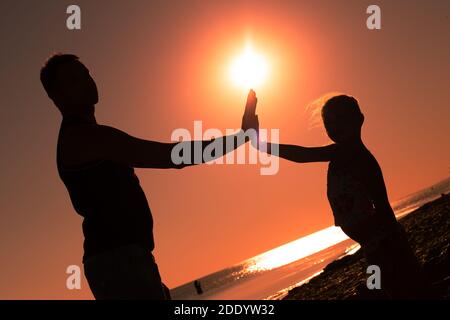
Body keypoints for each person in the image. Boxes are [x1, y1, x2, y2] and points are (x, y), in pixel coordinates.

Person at [40, 53, 259, 299]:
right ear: (55, 95)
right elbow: (172, 156)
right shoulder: (85, 138)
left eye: (86, 74)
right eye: (73, 79)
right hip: (119, 262)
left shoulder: (88, 135)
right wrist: (240, 138)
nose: (86, 81)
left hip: (126, 259)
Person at [256, 94, 428, 299]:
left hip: (380, 238)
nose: (334, 126)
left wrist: (395, 241)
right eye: (329, 123)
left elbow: (382, 204)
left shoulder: (357, 157)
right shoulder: (339, 153)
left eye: (340, 119)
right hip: (370, 241)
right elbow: (302, 156)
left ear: (359, 119)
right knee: (387, 283)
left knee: (394, 283)